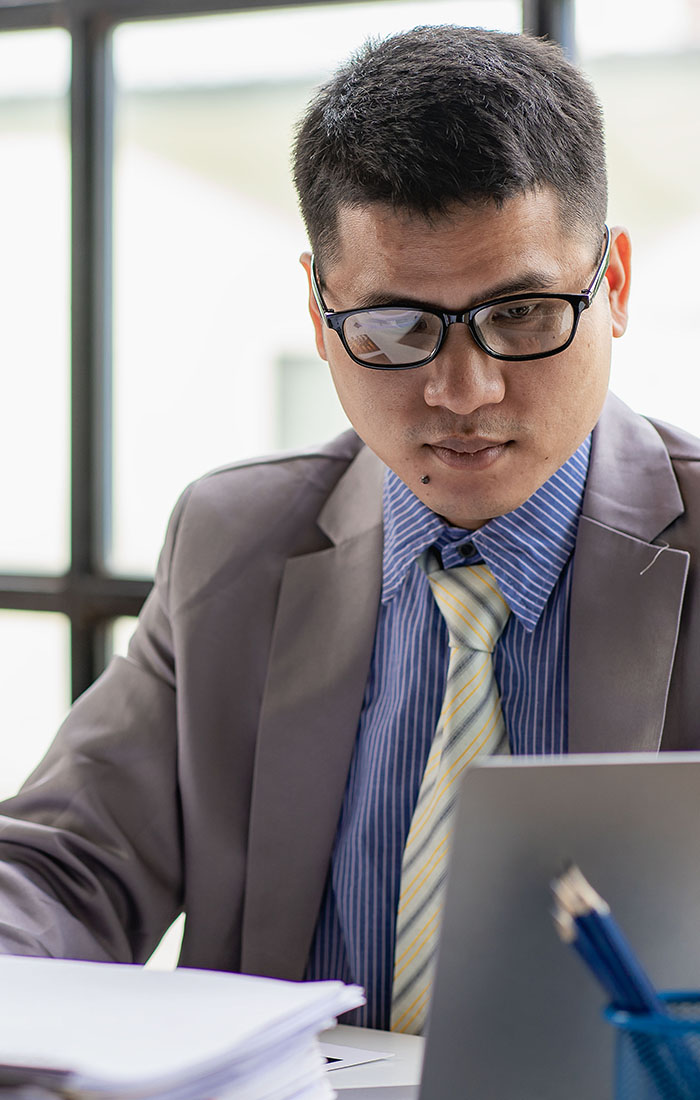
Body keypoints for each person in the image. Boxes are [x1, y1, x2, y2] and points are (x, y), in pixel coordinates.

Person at [1, 24, 699, 1037]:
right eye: (396, 327)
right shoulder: (234, 540)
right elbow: (67, 861)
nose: (464, 389)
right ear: (322, 313)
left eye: (521, 314)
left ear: (615, 286)